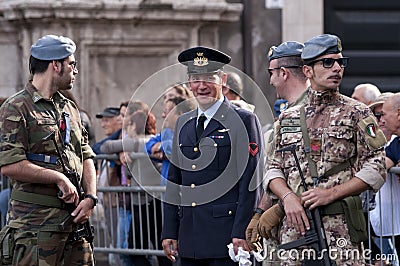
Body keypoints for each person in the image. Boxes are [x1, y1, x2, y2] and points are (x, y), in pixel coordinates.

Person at [263, 34, 386, 265]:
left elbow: (377, 166)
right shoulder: (289, 117)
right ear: (308, 71)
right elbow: (274, 167)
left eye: (340, 62)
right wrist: (287, 197)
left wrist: (331, 193)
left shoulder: (357, 112)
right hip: (296, 232)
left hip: (341, 231)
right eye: (327, 63)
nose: (337, 68)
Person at [161, 46, 263, 266]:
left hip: (226, 238)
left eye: (209, 78)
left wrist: (242, 231)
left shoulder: (244, 120)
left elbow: (251, 181)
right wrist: (169, 230)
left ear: (223, 80)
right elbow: (174, 182)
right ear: (189, 83)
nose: (202, 86)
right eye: (196, 79)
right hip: (189, 239)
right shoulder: (183, 123)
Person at [0, 34, 97, 265]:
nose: (75, 70)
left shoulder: (69, 108)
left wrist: (91, 197)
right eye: (72, 64)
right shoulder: (17, 107)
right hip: (36, 230)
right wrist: (58, 178)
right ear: (56, 65)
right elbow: (10, 164)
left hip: (75, 229)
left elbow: (86, 155)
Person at [245, 41, 307, 262]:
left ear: (283, 73)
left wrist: (280, 207)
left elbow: (313, 176)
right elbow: (276, 169)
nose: (270, 81)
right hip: (284, 229)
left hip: (308, 227)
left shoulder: (314, 110)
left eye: (271, 73)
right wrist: (260, 212)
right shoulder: (287, 114)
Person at [376, 93, 400, 257]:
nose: (381, 120)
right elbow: (380, 165)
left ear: (398, 113)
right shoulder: (396, 144)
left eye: (383, 114)